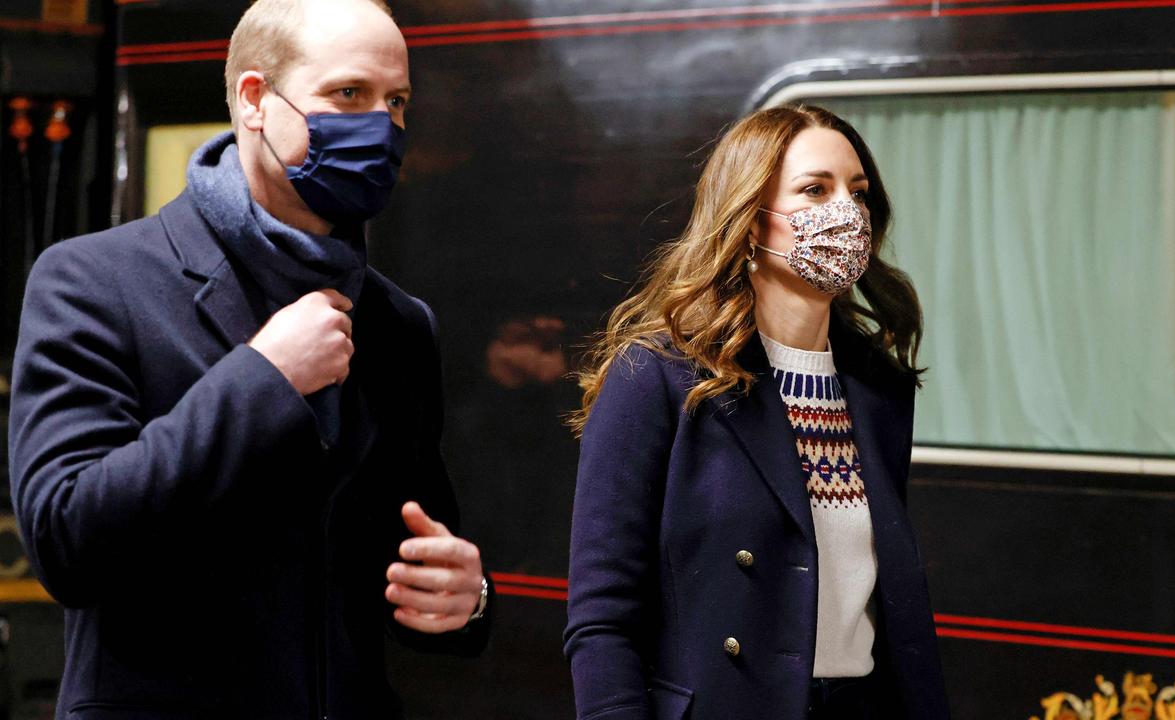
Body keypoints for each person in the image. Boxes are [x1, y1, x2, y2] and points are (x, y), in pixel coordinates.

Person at [7, 0, 489, 717]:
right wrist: (263, 379)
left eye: (397, 103)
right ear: (256, 100)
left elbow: (407, 554)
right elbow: (66, 540)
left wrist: (463, 597)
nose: (380, 127)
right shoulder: (93, 280)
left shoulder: (398, 324)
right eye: (349, 95)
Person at [563, 105, 949, 720]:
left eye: (858, 192)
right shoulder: (659, 376)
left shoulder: (877, 387)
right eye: (814, 189)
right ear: (749, 221)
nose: (844, 212)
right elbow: (603, 616)